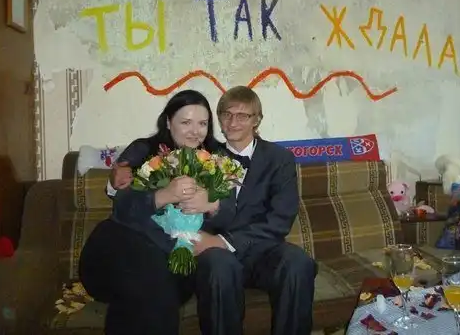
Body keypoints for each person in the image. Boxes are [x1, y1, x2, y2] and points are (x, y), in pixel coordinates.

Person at [84, 87, 317, 335]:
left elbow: (279, 219)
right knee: (213, 266)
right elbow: (128, 189)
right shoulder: (200, 155)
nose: (233, 122)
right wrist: (120, 178)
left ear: (256, 120)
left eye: (242, 116)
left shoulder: (277, 158)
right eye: (227, 115)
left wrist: (219, 226)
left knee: (298, 262)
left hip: (259, 248)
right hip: (193, 250)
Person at [79, 89, 221, 335]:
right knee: (148, 274)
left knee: (151, 280)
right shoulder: (143, 150)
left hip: (173, 258)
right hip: (120, 248)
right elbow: (123, 207)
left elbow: (235, 208)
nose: (195, 131)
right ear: (168, 122)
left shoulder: (217, 160)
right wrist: (164, 195)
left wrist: (212, 205)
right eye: (185, 122)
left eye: (202, 123)